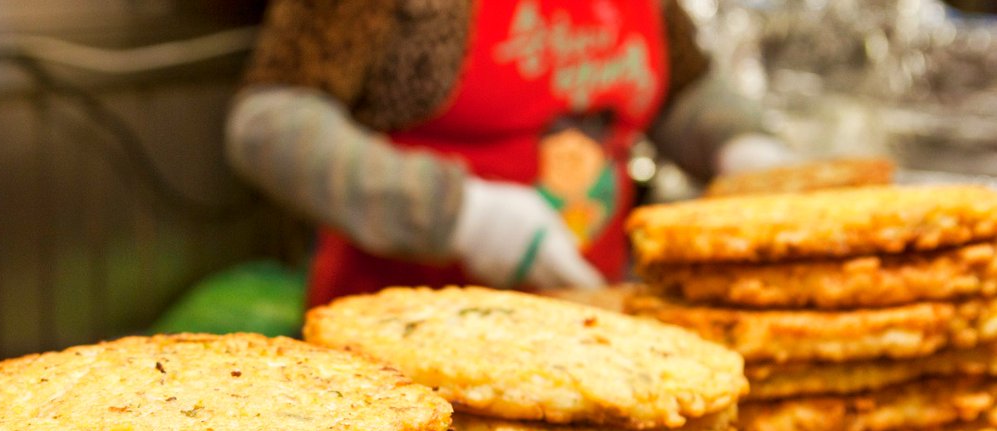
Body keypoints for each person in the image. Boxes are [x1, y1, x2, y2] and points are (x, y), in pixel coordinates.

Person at [226, 0, 791, 305]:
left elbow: (679, 87)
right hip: (403, 333)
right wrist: (459, 215)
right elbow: (269, 122)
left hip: (583, 322)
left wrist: (737, 143)